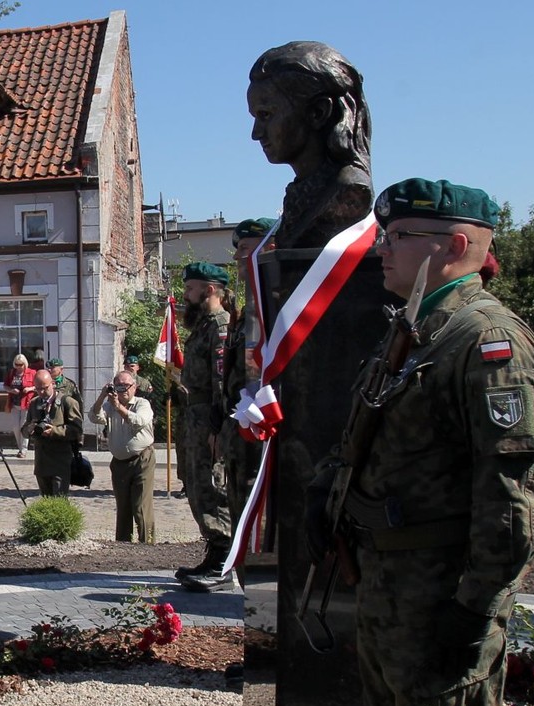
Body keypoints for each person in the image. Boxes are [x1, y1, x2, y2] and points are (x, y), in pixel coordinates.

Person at [313, 178, 534, 706]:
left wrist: (475, 608)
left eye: (398, 235)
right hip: (388, 586)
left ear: (454, 247)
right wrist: (325, 491)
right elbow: (367, 432)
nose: (382, 248)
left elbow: (517, 496)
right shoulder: (415, 331)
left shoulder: (488, 342)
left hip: (441, 593)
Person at [247, 41, 372, 252]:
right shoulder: (305, 191)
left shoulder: (348, 191)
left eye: (266, 115)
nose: (256, 133)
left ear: (318, 112)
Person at [172, 262, 233, 592]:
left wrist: (216, 427)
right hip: (194, 415)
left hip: (208, 418)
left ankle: (223, 561)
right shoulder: (204, 326)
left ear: (209, 290)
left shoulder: (220, 326)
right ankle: (214, 553)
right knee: (196, 485)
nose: (187, 294)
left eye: (191, 288)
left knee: (212, 487)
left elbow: (221, 380)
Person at [218, 218, 276, 555]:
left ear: (268, 247)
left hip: (263, 430)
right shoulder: (248, 310)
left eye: (244, 248)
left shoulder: (274, 305)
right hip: (241, 428)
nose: (238, 256)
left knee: (259, 512)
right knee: (240, 501)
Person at [91, 370, 155, 542]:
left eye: (126, 386)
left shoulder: (142, 404)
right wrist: (102, 397)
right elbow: (94, 417)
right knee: (123, 507)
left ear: (134, 387)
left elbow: (138, 421)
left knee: (141, 506)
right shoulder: (109, 405)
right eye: (118, 386)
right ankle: (122, 544)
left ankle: (148, 542)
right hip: (119, 462)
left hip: (142, 459)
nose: (123, 390)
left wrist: (118, 407)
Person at [24, 369, 82, 497]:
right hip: (41, 462)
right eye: (38, 389)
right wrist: (29, 429)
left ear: (53, 384)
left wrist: (54, 431)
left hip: (60, 461)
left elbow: (77, 430)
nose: (42, 392)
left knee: (59, 501)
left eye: (45, 388)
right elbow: (24, 429)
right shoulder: (34, 403)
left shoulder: (67, 402)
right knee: (45, 500)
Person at [5, 354, 37, 458]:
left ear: (25, 364)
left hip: (26, 403)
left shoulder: (32, 373)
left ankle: (23, 450)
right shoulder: (11, 373)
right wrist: (11, 390)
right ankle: (20, 448)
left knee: (24, 427)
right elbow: (5, 385)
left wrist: (30, 389)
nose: (19, 367)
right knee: (15, 427)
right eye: (17, 364)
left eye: (21, 364)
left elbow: (38, 385)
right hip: (14, 403)